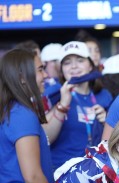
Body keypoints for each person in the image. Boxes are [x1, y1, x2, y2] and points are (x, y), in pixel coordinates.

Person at [0, 49, 53, 183]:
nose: (45, 75)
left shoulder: (10, 109)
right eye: (40, 69)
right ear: (22, 77)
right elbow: (32, 176)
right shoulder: (22, 113)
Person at [43, 41, 113, 169]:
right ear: (61, 69)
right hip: (61, 174)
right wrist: (62, 105)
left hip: (95, 172)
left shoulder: (104, 95)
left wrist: (107, 122)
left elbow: (117, 139)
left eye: (80, 60)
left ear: (90, 66)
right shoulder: (53, 94)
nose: (74, 66)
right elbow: (45, 138)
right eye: (67, 62)